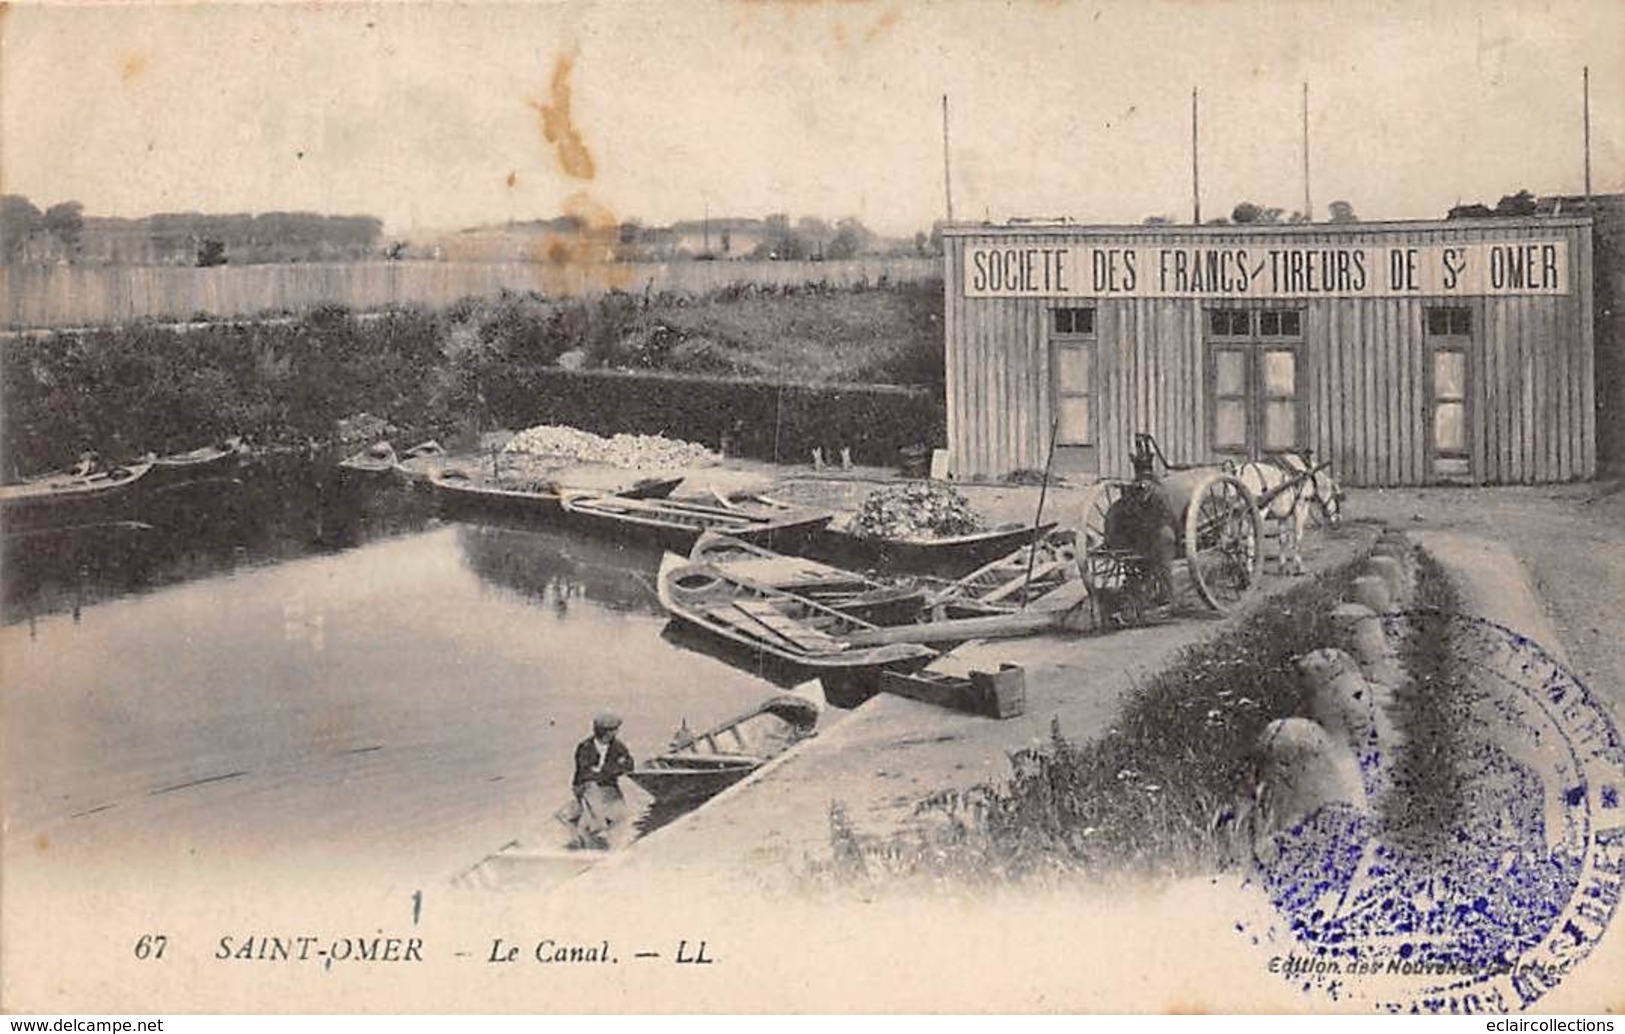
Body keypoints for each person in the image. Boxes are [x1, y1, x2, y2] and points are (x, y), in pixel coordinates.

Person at [567, 712, 635, 849]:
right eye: (614, 729)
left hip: (608, 785)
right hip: (584, 785)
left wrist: (602, 771)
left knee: (622, 814)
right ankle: (599, 830)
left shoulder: (617, 746)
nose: (617, 732)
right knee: (592, 790)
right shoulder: (585, 747)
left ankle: (594, 826)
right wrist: (613, 769)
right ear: (606, 732)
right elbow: (585, 773)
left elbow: (629, 765)